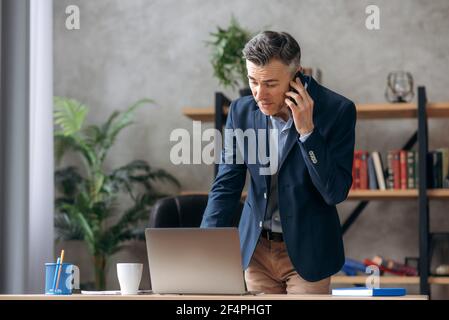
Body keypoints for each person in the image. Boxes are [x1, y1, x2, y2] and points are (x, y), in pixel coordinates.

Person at [201, 31, 356, 294]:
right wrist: (203, 245)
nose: (260, 94)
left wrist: (308, 134)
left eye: (271, 84)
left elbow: (334, 192)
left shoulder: (337, 111)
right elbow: (226, 184)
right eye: (253, 81)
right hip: (256, 252)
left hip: (308, 255)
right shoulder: (241, 112)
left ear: (297, 76)